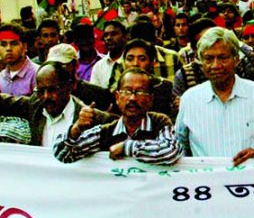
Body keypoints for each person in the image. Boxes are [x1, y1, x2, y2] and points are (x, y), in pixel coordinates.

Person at [175, 27, 254, 166]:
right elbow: (180, 145)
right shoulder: (190, 99)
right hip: (207, 185)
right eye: (209, 59)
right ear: (200, 61)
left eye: (223, 58)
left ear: (236, 59)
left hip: (253, 182)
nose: (216, 65)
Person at [0, 61, 113, 147]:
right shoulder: (35, 106)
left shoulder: (95, 119)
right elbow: (0, 103)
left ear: (69, 86)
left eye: (53, 90)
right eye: (41, 91)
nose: (46, 97)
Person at [53, 68, 182, 165]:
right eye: (127, 91)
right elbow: (62, 155)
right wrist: (76, 129)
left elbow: (171, 151)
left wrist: (127, 147)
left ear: (151, 99)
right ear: (117, 97)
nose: (132, 98)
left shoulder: (159, 122)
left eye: (140, 92)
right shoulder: (106, 131)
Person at [0, 23, 38, 97]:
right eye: (3, 44)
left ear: (24, 47)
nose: (8, 49)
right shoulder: (0, 77)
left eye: (14, 44)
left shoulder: (37, 74)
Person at [90, 20, 128, 89]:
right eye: (106, 35)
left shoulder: (132, 61)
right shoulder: (98, 67)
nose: (109, 38)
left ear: (124, 37)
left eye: (114, 34)